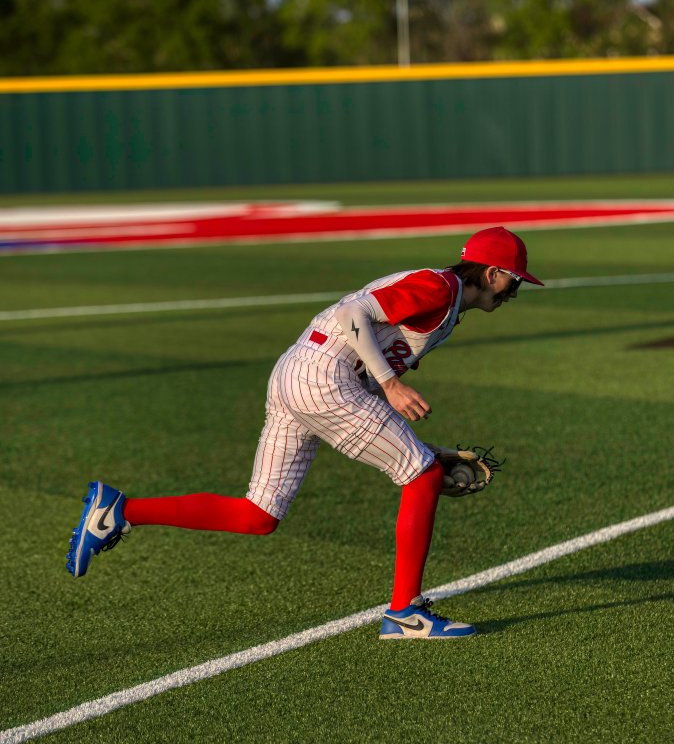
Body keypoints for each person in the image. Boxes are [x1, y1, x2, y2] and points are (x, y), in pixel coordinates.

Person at [67, 226, 543, 638]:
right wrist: (392, 385)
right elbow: (351, 317)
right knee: (420, 475)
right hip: (323, 378)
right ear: (492, 273)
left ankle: (120, 511)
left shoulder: (446, 298)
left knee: (259, 515)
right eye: (515, 281)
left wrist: (422, 443)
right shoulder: (438, 287)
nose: (514, 292)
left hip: (301, 373)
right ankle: (405, 613)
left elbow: (364, 366)